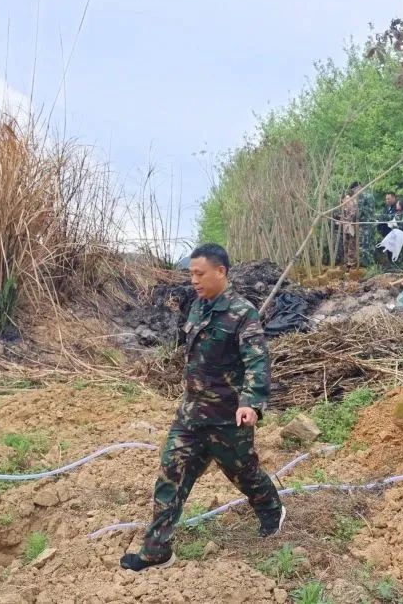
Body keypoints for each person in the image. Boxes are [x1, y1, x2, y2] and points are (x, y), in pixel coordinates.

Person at [120, 244, 284, 572]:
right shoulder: (197, 307)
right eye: (191, 273)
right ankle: (156, 550)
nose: (193, 280)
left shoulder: (242, 312)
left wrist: (251, 403)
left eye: (199, 273)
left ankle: (270, 510)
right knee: (171, 473)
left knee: (244, 473)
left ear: (220, 271)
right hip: (191, 415)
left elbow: (256, 361)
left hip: (227, 418)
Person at [355, 182, 376, 268]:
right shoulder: (370, 195)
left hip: (365, 224)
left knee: (364, 245)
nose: (355, 192)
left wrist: (356, 220)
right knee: (370, 244)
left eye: (355, 189)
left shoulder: (361, 195)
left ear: (359, 187)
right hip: (371, 223)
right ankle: (372, 265)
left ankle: (366, 266)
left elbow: (359, 211)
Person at [341, 189, 359, 270]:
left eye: (348, 199)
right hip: (346, 229)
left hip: (352, 228)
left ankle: (351, 262)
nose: (347, 201)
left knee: (352, 245)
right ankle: (346, 261)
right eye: (345, 199)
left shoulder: (354, 207)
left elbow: (352, 217)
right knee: (346, 244)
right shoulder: (343, 209)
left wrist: (345, 219)